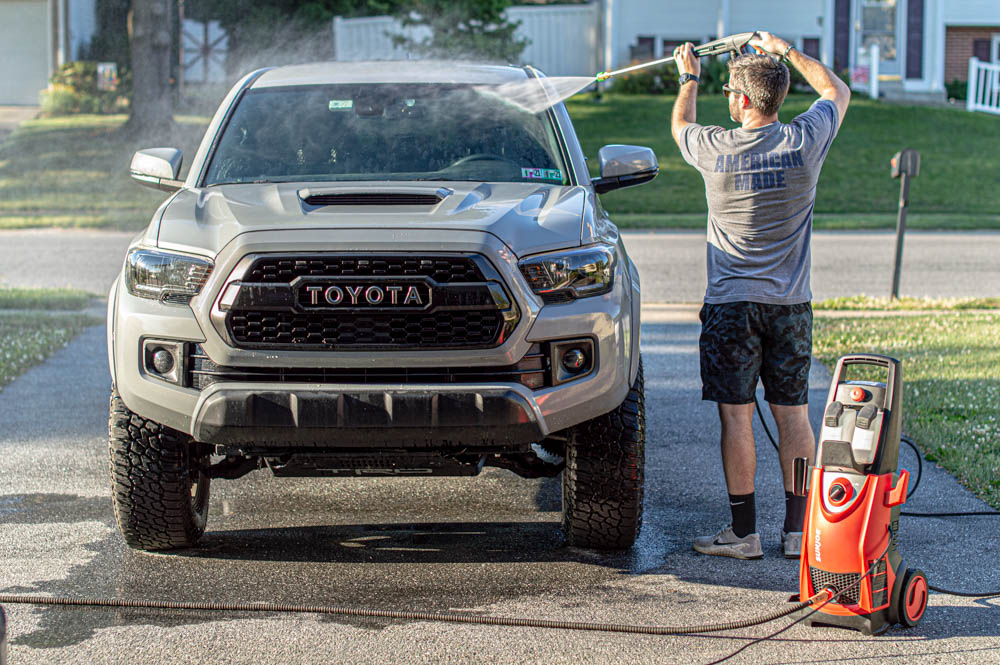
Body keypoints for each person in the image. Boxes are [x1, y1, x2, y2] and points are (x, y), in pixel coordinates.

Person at [670, 32, 851, 559]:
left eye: (730, 90)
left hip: (731, 307)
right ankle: (798, 534)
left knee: (737, 416)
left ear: (744, 100)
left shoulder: (714, 149)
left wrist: (688, 77)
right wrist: (786, 50)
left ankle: (743, 534)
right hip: (790, 306)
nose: (727, 98)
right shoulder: (804, 140)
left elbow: (679, 124)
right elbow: (836, 90)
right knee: (793, 413)